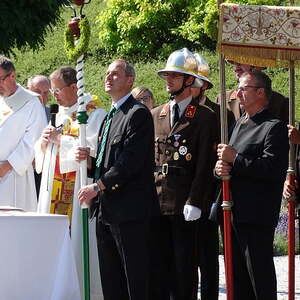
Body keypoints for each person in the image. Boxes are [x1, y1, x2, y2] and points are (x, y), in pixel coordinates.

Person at [78, 59, 158, 300]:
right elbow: (107, 161)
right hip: (106, 209)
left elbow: (130, 162)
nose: (108, 77)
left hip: (130, 211)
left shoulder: (137, 114)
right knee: (110, 279)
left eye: (115, 74)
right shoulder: (109, 116)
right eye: (107, 73)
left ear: (130, 80)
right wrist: (89, 161)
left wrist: (98, 185)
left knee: (134, 278)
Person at [215, 71, 289, 300]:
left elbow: (270, 169)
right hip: (233, 210)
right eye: (238, 88)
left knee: (259, 277)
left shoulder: (273, 127)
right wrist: (220, 169)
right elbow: (230, 161)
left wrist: (234, 159)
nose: (237, 93)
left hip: (256, 213)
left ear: (260, 92)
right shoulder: (239, 124)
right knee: (237, 279)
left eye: (243, 88)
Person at [151, 48, 218, 299]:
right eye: (167, 75)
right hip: (157, 199)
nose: (168, 80)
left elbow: (204, 164)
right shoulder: (156, 114)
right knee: (160, 266)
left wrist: (195, 200)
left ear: (189, 80)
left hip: (184, 202)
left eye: (175, 76)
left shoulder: (203, 117)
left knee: (184, 268)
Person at [35, 66, 106, 300]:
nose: (53, 95)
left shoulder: (93, 114)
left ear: (74, 87)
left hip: (76, 190)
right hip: (52, 189)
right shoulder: (57, 114)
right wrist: (44, 143)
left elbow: (92, 154)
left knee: (77, 242)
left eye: (57, 89)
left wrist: (60, 140)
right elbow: (40, 159)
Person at [190, 53, 235, 300]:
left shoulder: (220, 114)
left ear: (204, 85)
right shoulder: (174, 110)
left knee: (207, 257)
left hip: (209, 192)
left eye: (194, 82)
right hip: (183, 191)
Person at [0, 56, 46, 211]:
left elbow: (34, 140)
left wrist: (7, 166)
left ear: (12, 75)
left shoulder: (31, 102)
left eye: (0, 79)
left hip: (14, 174)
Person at [217, 60, 289, 123]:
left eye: (242, 60)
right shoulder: (223, 98)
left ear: (258, 65)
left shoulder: (279, 101)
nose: (236, 65)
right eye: (234, 62)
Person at [27, 74, 51, 197]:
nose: (41, 96)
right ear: (27, 90)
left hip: (45, 172)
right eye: (37, 92)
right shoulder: (17, 113)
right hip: (24, 170)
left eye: (46, 92)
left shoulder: (53, 115)